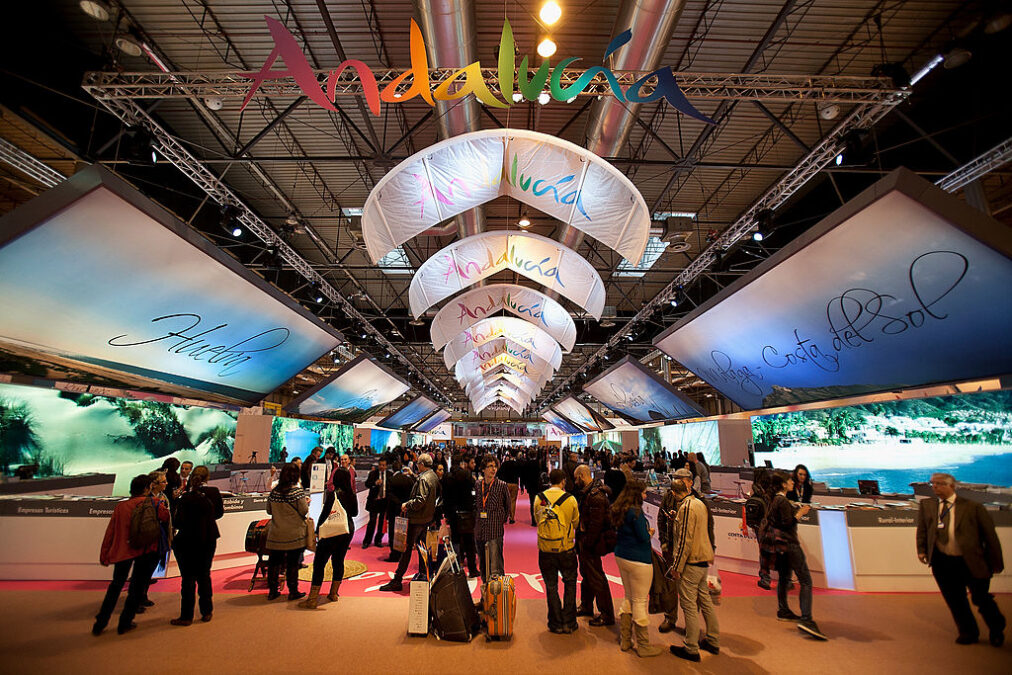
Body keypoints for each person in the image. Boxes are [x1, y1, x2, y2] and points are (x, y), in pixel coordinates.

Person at [916, 472, 1005, 646]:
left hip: (971, 561)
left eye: (939, 484)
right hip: (942, 562)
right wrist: (921, 550)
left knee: (981, 598)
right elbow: (923, 530)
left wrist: (996, 563)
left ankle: (997, 627)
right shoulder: (928, 505)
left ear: (952, 486)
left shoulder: (973, 507)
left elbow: (990, 537)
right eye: (933, 483)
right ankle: (968, 632)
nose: (935, 487)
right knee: (955, 600)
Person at [93, 474, 170, 636]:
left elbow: (110, 532)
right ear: (147, 488)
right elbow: (166, 518)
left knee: (115, 586)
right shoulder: (155, 503)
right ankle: (125, 622)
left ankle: (101, 622)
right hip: (146, 550)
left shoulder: (121, 507)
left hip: (123, 551)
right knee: (136, 587)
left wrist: (104, 554)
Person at [766, 472, 826, 639]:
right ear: (783, 484)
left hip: (780, 546)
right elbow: (787, 523)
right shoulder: (782, 501)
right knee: (805, 580)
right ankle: (806, 619)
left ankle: (783, 610)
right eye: (790, 480)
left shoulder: (775, 500)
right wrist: (799, 514)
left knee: (784, 577)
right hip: (790, 545)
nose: (792, 482)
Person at [667, 480, 720, 661]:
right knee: (705, 600)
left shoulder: (687, 508)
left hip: (692, 562)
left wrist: (677, 566)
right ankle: (713, 639)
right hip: (703, 558)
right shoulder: (699, 503)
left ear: (674, 493)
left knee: (689, 605)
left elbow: (685, 540)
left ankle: (691, 647)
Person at [611, 479, 663, 658]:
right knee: (640, 601)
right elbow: (643, 537)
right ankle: (643, 645)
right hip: (639, 559)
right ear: (636, 494)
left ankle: (625, 639)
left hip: (621, 556)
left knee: (628, 597)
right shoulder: (636, 513)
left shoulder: (620, 509)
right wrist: (650, 533)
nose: (645, 495)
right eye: (643, 492)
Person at [169, 465, 223, 626]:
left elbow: (177, 521)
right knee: (204, 575)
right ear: (207, 477)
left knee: (188, 579)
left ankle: (186, 616)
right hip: (208, 538)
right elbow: (219, 513)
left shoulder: (185, 497)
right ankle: (207, 611)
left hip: (187, 540)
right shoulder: (214, 492)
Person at [380, 453, 440, 592]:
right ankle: (423, 575)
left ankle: (397, 580)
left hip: (416, 519)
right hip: (426, 518)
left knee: (406, 550)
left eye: (418, 463)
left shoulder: (424, 479)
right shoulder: (432, 476)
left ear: (422, 464)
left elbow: (420, 500)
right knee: (422, 548)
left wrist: (407, 504)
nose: (417, 465)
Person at [302, 462, 358, 608]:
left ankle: (312, 598)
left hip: (330, 532)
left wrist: (317, 531)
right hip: (346, 530)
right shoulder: (352, 494)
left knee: (319, 563)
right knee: (338, 561)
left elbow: (325, 514)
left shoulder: (332, 495)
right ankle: (333, 593)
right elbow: (355, 513)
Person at [534, 469, 581, 634]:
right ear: (563, 481)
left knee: (551, 585)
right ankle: (569, 621)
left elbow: (537, 520)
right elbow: (575, 523)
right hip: (566, 548)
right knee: (570, 583)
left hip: (545, 548)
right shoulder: (570, 499)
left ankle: (555, 622)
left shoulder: (539, 498)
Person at [573, 464, 615, 627]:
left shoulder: (595, 496)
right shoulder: (589, 493)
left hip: (591, 542)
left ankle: (606, 614)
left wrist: (588, 543)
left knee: (597, 577)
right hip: (585, 540)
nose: (575, 482)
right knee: (587, 574)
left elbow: (596, 524)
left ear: (582, 476)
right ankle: (586, 605)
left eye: (576, 478)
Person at [265, 463, 309, 601]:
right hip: (294, 534)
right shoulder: (297, 492)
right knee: (292, 564)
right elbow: (304, 510)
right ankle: (293, 591)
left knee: (274, 563)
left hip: (276, 534)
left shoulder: (274, 492)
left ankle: (273, 591)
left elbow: (269, 510)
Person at [473, 454, 511, 582]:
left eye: (495, 466)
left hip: (495, 529)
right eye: (490, 466)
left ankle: (497, 592)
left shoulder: (502, 485)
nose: (493, 469)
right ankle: (485, 590)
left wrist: (500, 519)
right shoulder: (478, 484)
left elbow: (507, 505)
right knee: (483, 564)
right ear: (483, 469)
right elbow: (474, 503)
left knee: (496, 565)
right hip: (480, 529)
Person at [444, 454, 479, 577]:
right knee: (469, 542)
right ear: (462, 463)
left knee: (455, 541)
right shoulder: (466, 475)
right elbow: (474, 489)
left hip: (453, 513)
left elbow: (445, 496)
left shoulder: (447, 477)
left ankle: (457, 567)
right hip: (467, 512)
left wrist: (447, 513)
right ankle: (472, 569)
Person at [384, 465, 416, 562]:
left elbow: (389, 494)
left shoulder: (391, 480)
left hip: (394, 509)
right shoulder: (409, 480)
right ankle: (404, 554)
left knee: (393, 532)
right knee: (405, 532)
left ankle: (394, 554)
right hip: (406, 509)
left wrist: (398, 503)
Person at [362, 458, 392, 549]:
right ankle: (367, 541)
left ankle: (378, 540)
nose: (382, 467)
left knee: (382, 523)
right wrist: (375, 483)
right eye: (380, 465)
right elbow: (367, 484)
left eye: (383, 465)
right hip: (374, 501)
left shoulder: (390, 475)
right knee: (372, 522)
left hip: (384, 502)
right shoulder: (372, 474)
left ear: (386, 466)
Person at [498, 452, 521, 524]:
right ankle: (512, 518)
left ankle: (505, 517)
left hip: (506, 484)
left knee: (505, 500)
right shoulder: (517, 464)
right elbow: (520, 474)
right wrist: (522, 486)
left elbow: (499, 474)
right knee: (513, 501)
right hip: (514, 483)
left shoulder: (505, 464)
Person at [522, 451, 543, 525]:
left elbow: (524, 475)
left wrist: (523, 485)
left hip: (530, 486)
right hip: (538, 485)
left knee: (532, 503)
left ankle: (533, 520)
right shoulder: (538, 463)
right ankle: (539, 518)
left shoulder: (526, 464)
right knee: (540, 502)